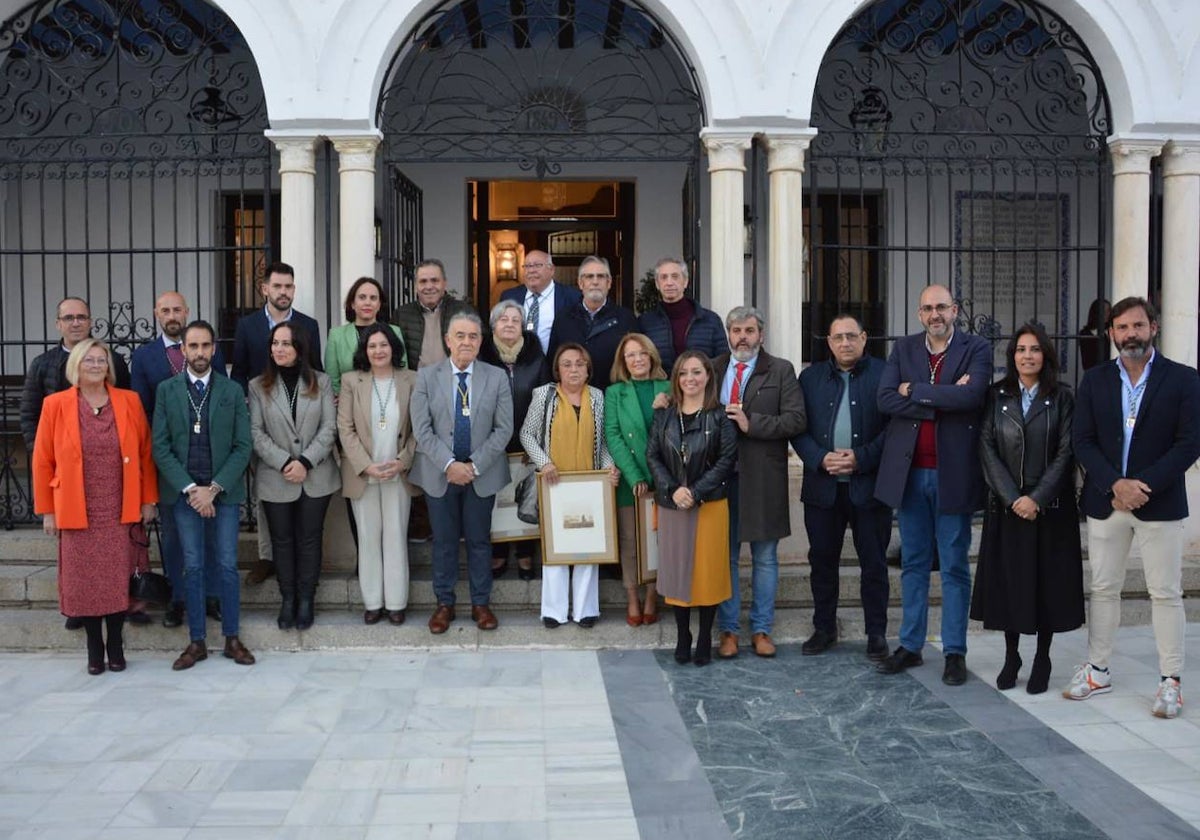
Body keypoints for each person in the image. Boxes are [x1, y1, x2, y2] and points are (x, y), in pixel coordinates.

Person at [1067, 296, 1200, 718]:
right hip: (1107, 502)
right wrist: (1115, 484)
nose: (1130, 335)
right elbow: (1082, 440)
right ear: (1110, 333)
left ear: (1153, 328)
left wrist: (1144, 485)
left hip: (1158, 502)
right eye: (1121, 328)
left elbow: (1190, 443)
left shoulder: (1183, 380)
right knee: (1104, 589)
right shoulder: (1096, 379)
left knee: (1165, 593)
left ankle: (1170, 682)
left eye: (1138, 326)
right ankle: (1098, 670)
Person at [875, 284, 991, 686]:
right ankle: (910, 645)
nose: (935, 314)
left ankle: (955, 651)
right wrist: (943, 397)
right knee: (914, 564)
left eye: (941, 306)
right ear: (919, 313)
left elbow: (972, 398)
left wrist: (917, 392)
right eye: (927, 308)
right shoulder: (904, 349)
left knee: (955, 566)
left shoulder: (976, 349)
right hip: (909, 476)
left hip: (952, 474)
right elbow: (886, 399)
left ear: (954, 310)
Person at [970, 323, 1083, 695]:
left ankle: (1043, 658)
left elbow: (1068, 452)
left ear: (1045, 355)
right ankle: (1012, 655)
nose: (1027, 355)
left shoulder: (1063, 397)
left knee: (1046, 586)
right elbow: (986, 448)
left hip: (1049, 509)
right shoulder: (996, 396)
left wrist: (1036, 498)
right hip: (1008, 509)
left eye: (1035, 349)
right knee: (1010, 586)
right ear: (1012, 356)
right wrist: (1012, 497)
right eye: (1021, 349)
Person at [32, 339, 157, 674]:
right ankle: (93, 646)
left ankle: (115, 643)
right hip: (76, 509)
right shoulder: (56, 405)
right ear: (76, 365)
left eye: (101, 360)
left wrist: (148, 499)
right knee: (85, 581)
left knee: (117, 578)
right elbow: (43, 461)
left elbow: (145, 454)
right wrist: (48, 511)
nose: (96, 365)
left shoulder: (128, 401)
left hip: (120, 507)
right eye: (88, 360)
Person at [21, 297, 132, 630]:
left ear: (90, 321)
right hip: (66, 481)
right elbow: (30, 415)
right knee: (76, 558)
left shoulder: (112, 361)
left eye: (81, 317)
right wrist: (49, 457)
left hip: (106, 479)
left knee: (110, 558)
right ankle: (81, 608)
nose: (75, 323)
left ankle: (112, 607)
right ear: (58, 324)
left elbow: (125, 413)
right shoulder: (43, 364)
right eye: (68, 318)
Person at [153, 320, 255, 670]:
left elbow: (243, 447)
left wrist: (212, 489)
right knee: (192, 566)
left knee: (227, 565)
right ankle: (196, 641)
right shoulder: (166, 390)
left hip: (222, 494)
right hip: (184, 495)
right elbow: (160, 447)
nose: (199, 353)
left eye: (205, 346)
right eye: (192, 346)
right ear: (182, 350)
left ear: (214, 349)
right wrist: (191, 489)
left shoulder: (230, 391)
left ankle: (231, 637)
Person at [793, 314, 891, 660]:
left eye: (852, 336)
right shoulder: (810, 378)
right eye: (838, 337)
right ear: (829, 342)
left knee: (874, 563)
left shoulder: (884, 374)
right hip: (823, 488)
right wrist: (820, 458)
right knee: (822, 560)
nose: (845, 343)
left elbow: (894, 429)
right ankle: (824, 628)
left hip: (870, 486)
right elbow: (797, 428)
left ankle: (876, 632)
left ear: (864, 338)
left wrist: (861, 458)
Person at [409, 312, 513, 634]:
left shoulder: (496, 377)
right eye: (460, 335)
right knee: (443, 542)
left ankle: (481, 604)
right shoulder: (426, 377)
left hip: (481, 474)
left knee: (480, 541)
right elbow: (421, 428)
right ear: (447, 340)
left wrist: (473, 466)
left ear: (481, 342)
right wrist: (449, 465)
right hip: (439, 473)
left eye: (473, 336)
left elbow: (504, 428)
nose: (466, 341)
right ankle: (444, 604)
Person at [713, 307, 806, 660]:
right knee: (727, 557)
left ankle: (762, 628)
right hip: (721, 478)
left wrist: (753, 424)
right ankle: (729, 630)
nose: (742, 337)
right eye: (736, 330)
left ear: (761, 335)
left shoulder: (780, 370)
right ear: (728, 334)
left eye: (749, 330)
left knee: (765, 557)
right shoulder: (714, 366)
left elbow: (796, 420)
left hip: (763, 475)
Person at [130, 291, 227, 629]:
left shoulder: (209, 347)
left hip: (210, 459)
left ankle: (213, 596)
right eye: (165, 310)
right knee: (173, 537)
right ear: (156, 313)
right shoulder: (144, 357)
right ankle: (177, 598)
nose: (172, 314)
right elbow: (141, 408)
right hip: (168, 460)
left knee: (211, 533)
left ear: (186, 312)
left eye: (177, 309)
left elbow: (222, 398)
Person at [647, 350, 738, 666]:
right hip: (673, 504)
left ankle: (703, 638)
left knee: (708, 571)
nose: (690, 379)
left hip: (710, 503)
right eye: (684, 373)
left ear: (708, 376)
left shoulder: (721, 416)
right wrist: (674, 490)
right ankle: (683, 635)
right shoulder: (664, 414)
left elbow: (727, 461)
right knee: (678, 571)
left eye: (697, 372)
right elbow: (653, 456)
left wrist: (695, 491)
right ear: (677, 379)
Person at [520, 344, 619, 628]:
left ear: (588, 368)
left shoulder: (598, 397)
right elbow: (526, 434)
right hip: (555, 482)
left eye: (579, 364)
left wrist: (609, 468)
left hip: (589, 483)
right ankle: (554, 611)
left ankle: (586, 610)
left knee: (588, 544)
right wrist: (544, 463)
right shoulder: (544, 395)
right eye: (567, 364)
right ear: (557, 369)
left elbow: (602, 444)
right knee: (556, 547)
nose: (573, 369)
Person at [250, 323, 340, 630]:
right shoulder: (257, 385)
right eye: (275, 343)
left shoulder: (322, 382)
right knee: (282, 541)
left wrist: (305, 461)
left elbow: (330, 427)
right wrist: (286, 461)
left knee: (309, 540)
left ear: (300, 348)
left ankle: (306, 599)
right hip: (276, 476)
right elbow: (255, 433)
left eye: (286, 343)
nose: (279, 349)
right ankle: (287, 598)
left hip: (316, 475)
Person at [338, 324, 418, 625]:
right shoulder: (351, 381)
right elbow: (344, 428)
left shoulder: (411, 379)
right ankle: (372, 602)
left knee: (396, 536)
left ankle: (396, 603)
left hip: (399, 472)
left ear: (393, 348)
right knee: (369, 538)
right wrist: (365, 464)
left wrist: (403, 460)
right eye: (372, 346)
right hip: (364, 474)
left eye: (383, 345)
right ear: (364, 350)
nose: (378, 351)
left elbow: (419, 428)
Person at [478, 299, 550, 580]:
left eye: (515, 320)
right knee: (497, 497)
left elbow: (545, 399)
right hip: (491, 441)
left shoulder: (535, 357)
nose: (509, 324)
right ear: (494, 325)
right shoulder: (482, 356)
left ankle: (524, 553)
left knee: (525, 495)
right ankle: (498, 552)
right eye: (503, 319)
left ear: (523, 326)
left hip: (527, 440)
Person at [605, 333, 671, 627]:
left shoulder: (668, 388)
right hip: (631, 481)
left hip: (664, 479)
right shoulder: (614, 392)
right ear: (623, 362)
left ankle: (652, 597)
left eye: (642, 353)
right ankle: (633, 597)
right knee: (630, 542)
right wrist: (632, 476)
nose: (637, 359)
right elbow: (614, 436)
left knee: (658, 540)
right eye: (630, 355)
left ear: (652, 356)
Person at [547, 256, 637, 390]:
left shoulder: (626, 318)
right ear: (580, 283)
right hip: (572, 398)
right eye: (589, 277)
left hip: (613, 398)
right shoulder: (563, 318)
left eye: (600, 276)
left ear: (609, 283)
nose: (595, 282)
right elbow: (552, 361)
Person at [636, 257, 725, 372]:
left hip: (701, 387)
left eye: (675, 277)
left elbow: (722, 361)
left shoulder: (710, 320)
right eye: (664, 277)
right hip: (661, 389)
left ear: (685, 281)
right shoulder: (645, 323)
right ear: (657, 284)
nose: (669, 283)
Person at [324, 276, 407, 395]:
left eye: (373, 298)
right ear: (352, 303)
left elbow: (402, 372)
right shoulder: (336, 335)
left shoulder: (395, 332)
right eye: (362, 297)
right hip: (349, 403)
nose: (368, 302)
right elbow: (332, 380)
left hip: (388, 401)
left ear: (379, 305)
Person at [394, 258, 474, 371]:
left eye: (434, 280)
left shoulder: (464, 311)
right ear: (415, 286)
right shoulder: (401, 315)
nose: (429, 286)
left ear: (445, 284)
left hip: (454, 382)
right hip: (417, 383)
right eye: (423, 281)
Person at [500, 250, 583, 354]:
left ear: (551, 270)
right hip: (517, 365)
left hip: (554, 366)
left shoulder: (572, 297)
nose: (531, 270)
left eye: (537, 265)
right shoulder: (509, 296)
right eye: (527, 266)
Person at [1078, 298, 1111, 371]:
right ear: (1096, 312)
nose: (1106, 314)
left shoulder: (1112, 331)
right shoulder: (1085, 334)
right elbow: (1087, 362)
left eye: (1108, 310)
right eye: (1103, 310)